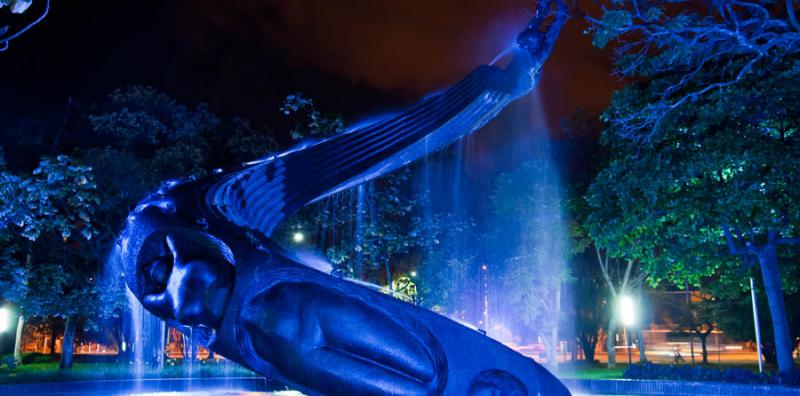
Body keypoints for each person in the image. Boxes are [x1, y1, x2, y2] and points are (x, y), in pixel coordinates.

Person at [118, 1, 571, 394]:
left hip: (280, 305)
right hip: (278, 312)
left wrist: (507, 76)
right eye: (163, 281)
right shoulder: (219, 234)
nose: (165, 273)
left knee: (408, 366)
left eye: (168, 263)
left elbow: (385, 141)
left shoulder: (223, 214)